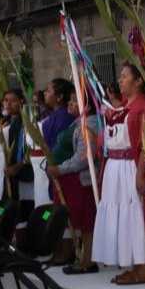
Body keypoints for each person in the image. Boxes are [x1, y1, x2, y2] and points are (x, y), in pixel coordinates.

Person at [93, 63, 145, 286]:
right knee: (122, 217)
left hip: (131, 168)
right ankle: (134, 263)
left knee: (136, 214)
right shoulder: (123, 107)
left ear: (138, 81)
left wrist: (140, 174)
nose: (120, 80)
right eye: (120, 76)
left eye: (124, 76)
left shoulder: (144, 107)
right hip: (115, 169)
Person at [48, 91, 104, 274]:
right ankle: (82, 256)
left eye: (74, 100)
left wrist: (60, 168)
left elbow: (83, 157)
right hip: (75, 180)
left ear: (86, 106)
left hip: (85, 179)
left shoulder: (90, 125)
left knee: (87, 222)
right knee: (80, 220)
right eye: (70, 99)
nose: (69, 104)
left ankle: (88, 260)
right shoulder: (79, 123)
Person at [35, 79, 75, 210]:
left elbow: (62, 145)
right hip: (52, 163)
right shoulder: (53, 115)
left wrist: (54, 164)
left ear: (59, 96)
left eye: (49, 90)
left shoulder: (65, 116)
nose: (45, 93)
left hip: (61, 165)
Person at [0, 88, 28, 207]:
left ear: (21, 102)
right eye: (5, 100)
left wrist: (19, 165)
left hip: (19, 168)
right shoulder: (3, 121)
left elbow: (27, 147)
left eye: (13, 100)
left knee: (21, 202)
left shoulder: (25, 122)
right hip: (3, 168)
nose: (8, 104)